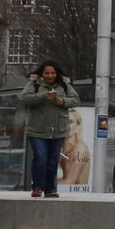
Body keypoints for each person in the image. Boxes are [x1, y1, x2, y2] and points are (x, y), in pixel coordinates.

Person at [19, 61, 78, 199]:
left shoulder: (64, 85)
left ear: (56, 73)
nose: (50, 75)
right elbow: (25, 99)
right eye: (47, 73)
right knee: (41, 158)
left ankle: (50, 189)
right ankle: (38, 187)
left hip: (58, 130)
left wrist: (61, 102)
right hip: (37, 130)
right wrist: (42, 96)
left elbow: (75, 100)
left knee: (52, 161)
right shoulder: (34, 84)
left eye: (52, 73)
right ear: (42, 73)